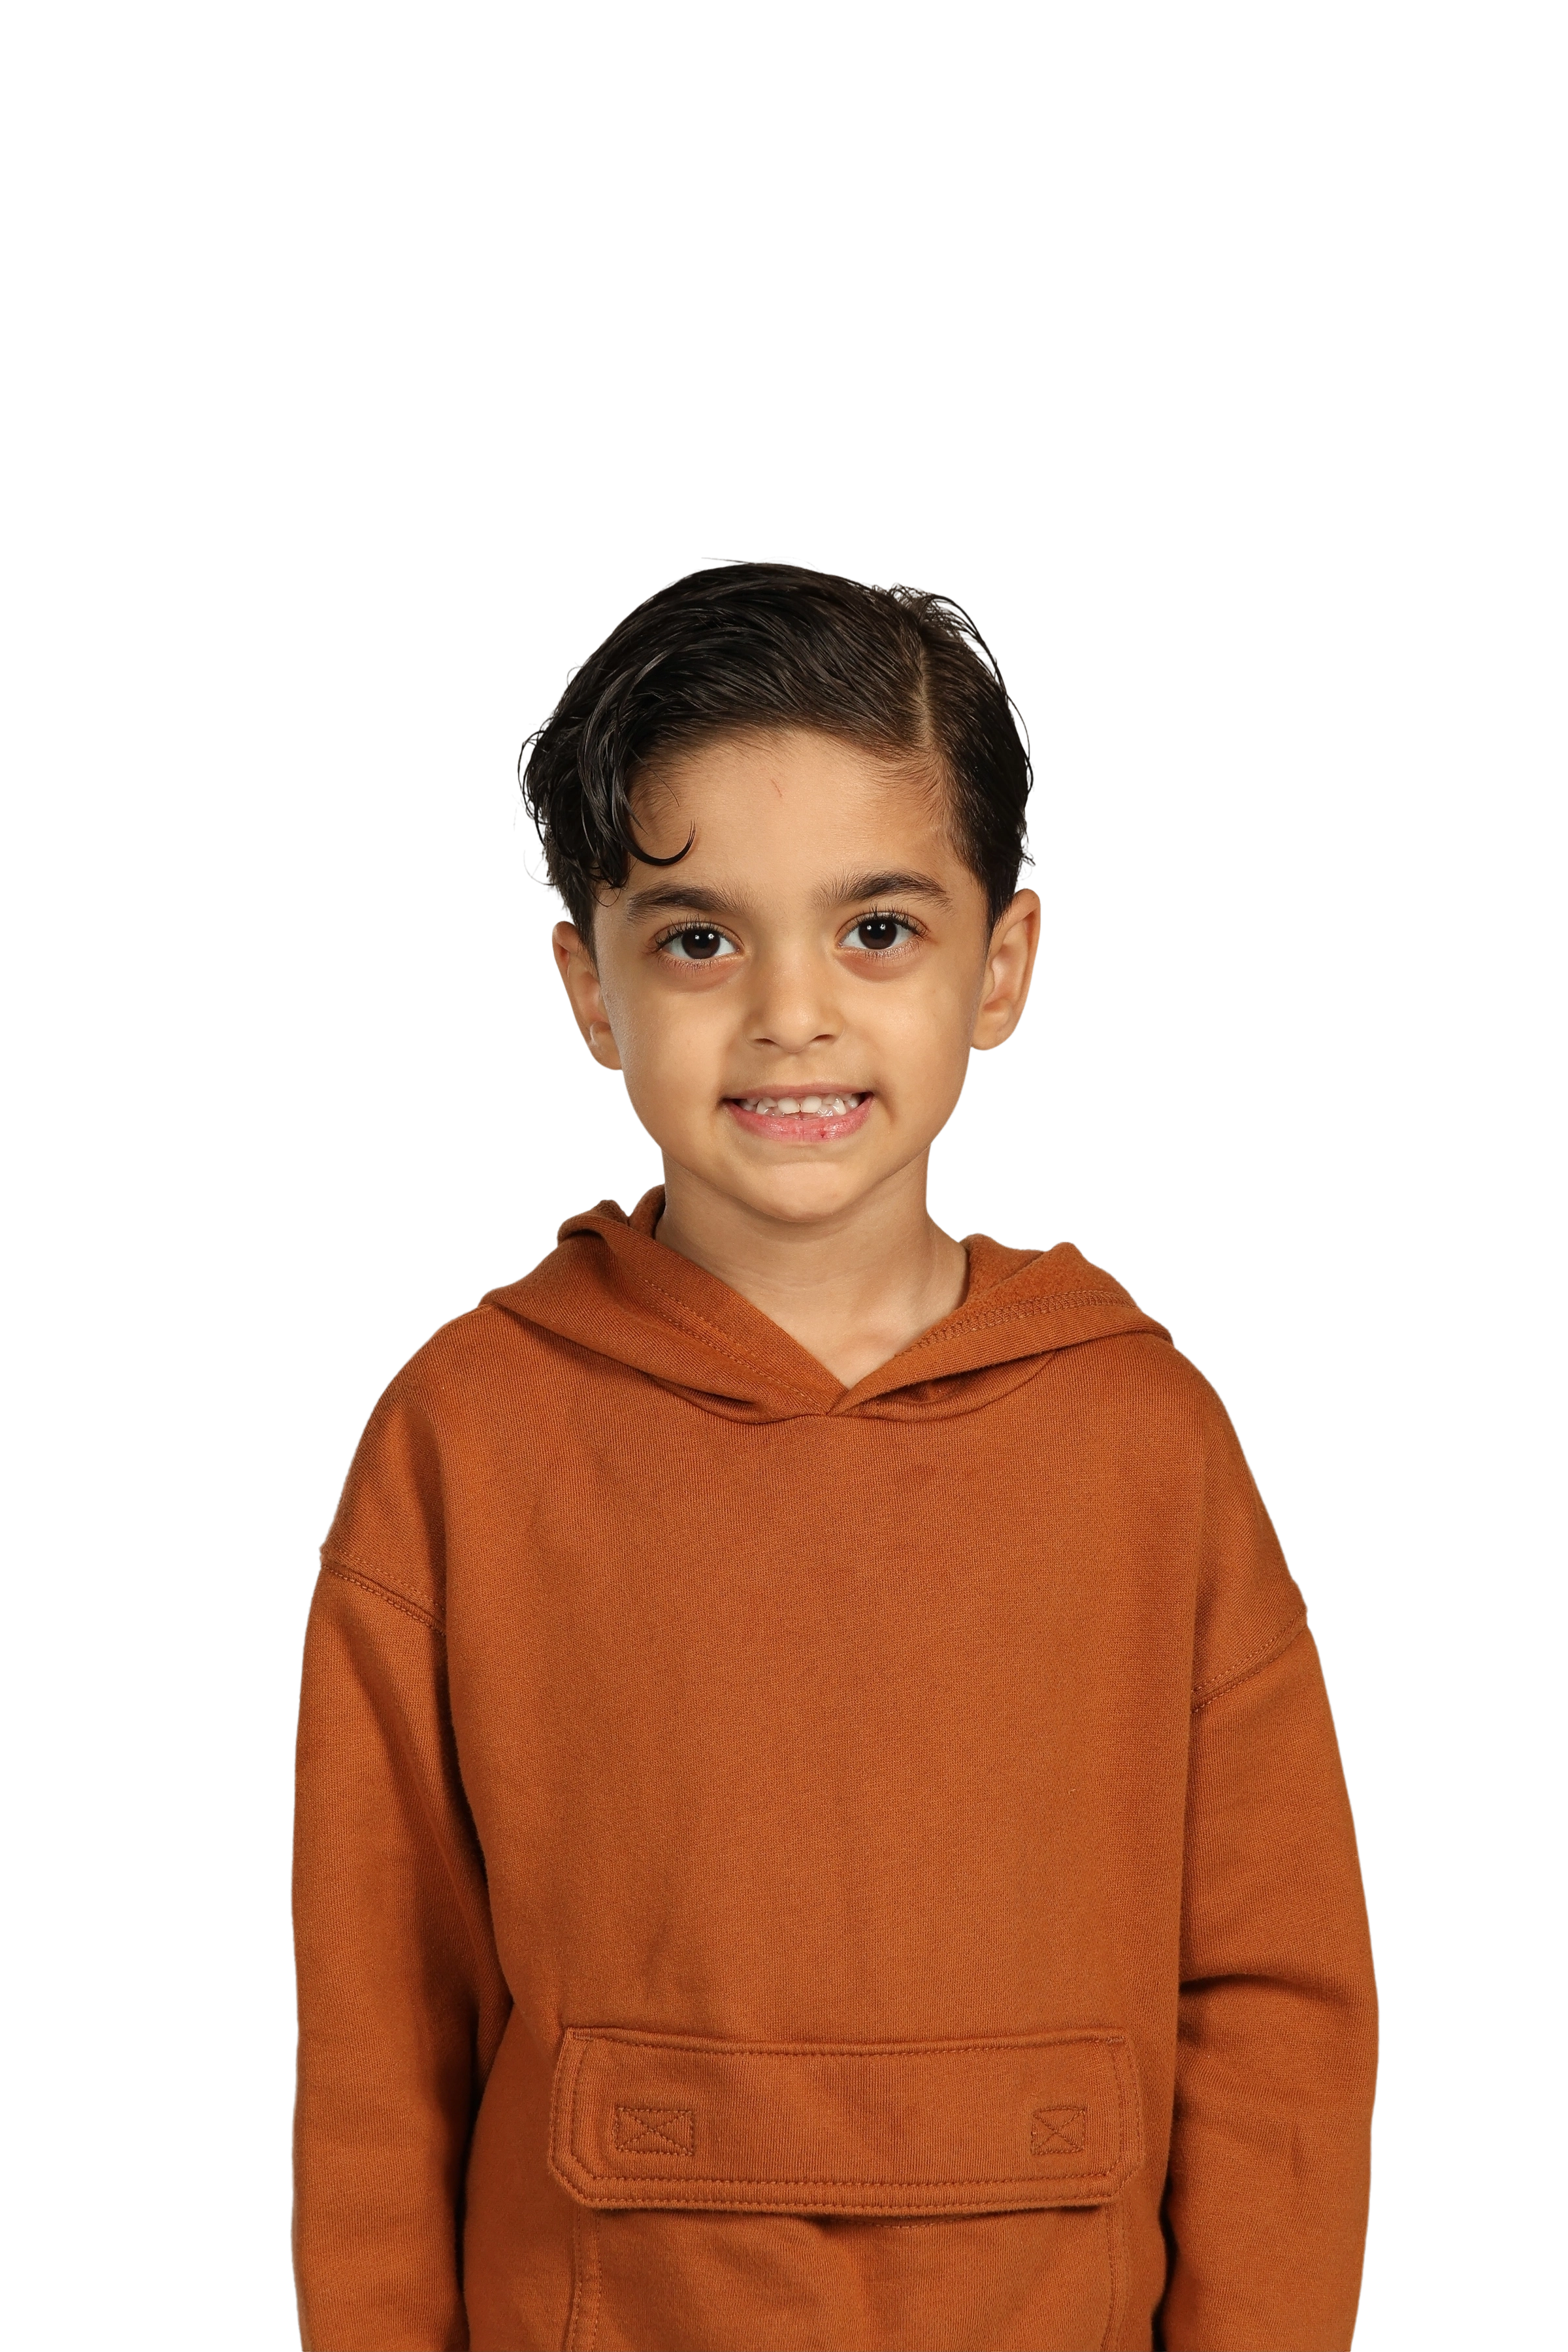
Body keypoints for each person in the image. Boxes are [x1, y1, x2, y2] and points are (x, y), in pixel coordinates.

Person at [288, 555, 1380, 2351]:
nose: (790, 1011)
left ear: (1003, 963)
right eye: (699, 938)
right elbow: (375, 2033)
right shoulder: (465, 1436)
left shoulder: (1141, 1433)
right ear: (587, 986)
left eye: (876, 930)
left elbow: (1276, 1992)